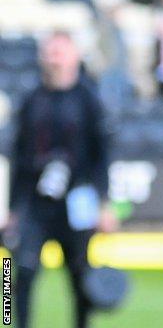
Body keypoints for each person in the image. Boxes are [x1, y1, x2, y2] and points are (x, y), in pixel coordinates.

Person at [7, 32, 114, 328]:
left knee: (81, 278)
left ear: (75, 56)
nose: (54, 57)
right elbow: (17, 156)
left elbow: (101, 156)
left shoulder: (89, 100)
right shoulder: (31, 100)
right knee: (19, 272)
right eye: (50, 51)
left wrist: (104, 204)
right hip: (34, 202)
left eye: (60, 51)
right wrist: (13, 209)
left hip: (77, 201)